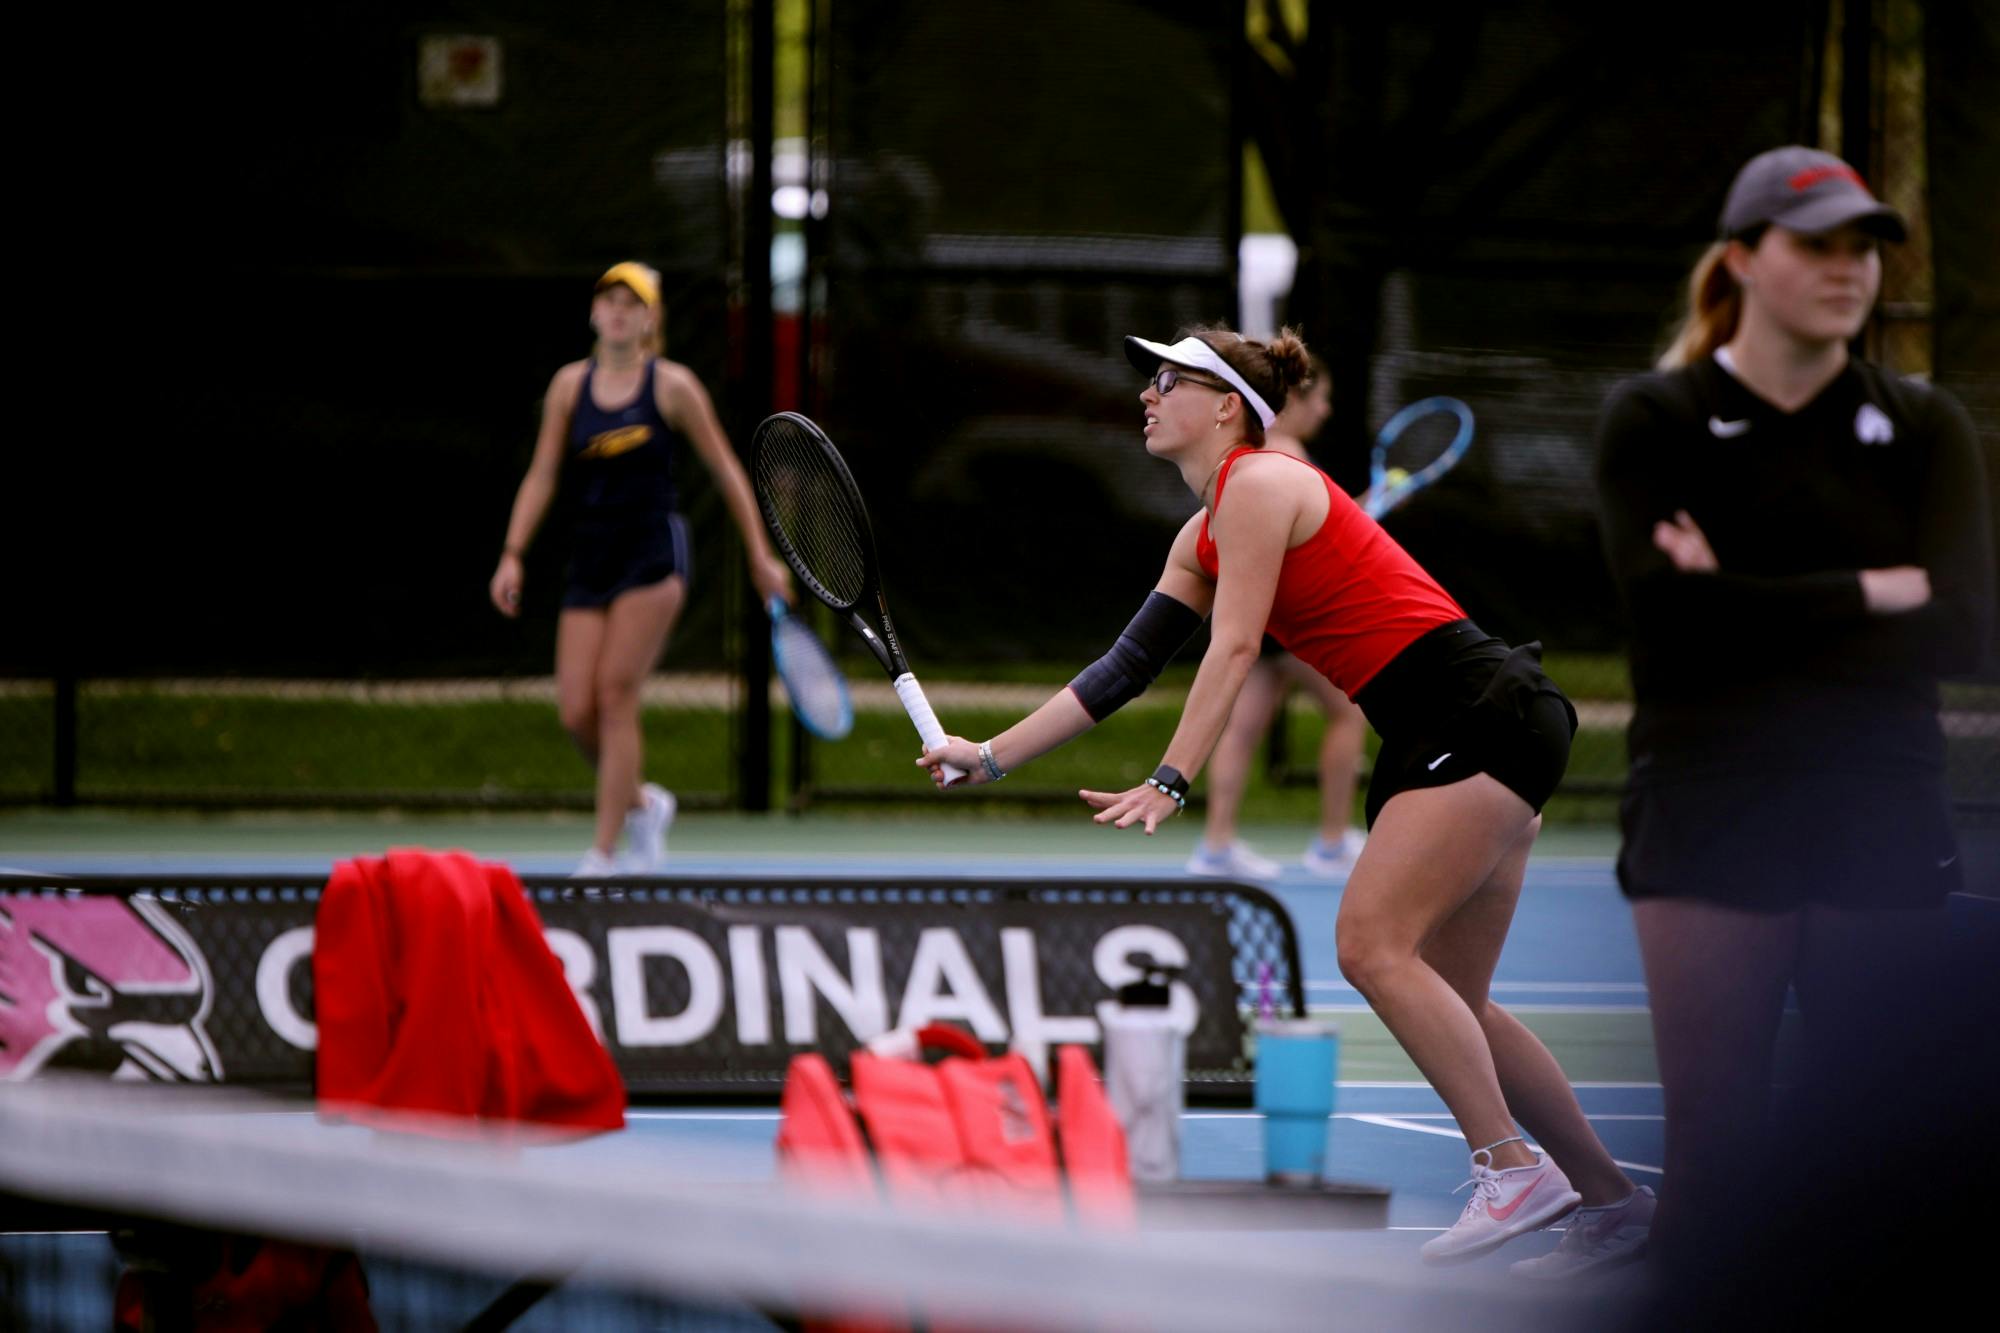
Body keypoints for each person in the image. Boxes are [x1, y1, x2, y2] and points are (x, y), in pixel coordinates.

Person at [920, 324, 1646, 1268]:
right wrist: (990, 754)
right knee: (1458, 996)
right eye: (1147, 379)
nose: (1145, 394)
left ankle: (1510, 1164)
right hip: (1456, 724)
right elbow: (1126, 666)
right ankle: (1615, 1200)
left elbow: (1232, 646)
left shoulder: (1259, 484)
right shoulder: (1200, 531)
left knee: (1370, 946)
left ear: (1227, 406)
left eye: (1168, 381)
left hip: (1477, 709)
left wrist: (1170, 779)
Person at [1592, 146, 1993, 1304]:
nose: (1846, 267)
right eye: (1815, 243)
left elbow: (1963, 629)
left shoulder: (1921, 427)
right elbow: (1666, 634)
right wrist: (1872, 589)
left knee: (1878, 1153)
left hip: (1879, 805)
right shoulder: (1655, 416)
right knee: (1710, 1158)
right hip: (1705, 810)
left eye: (1862, 245)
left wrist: (1741, 595)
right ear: (1741, 260)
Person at [490, 262, 791, 875]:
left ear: (651, 317)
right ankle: (642, 804)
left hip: (652, 557)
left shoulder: (673, 387)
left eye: (633, 302)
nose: (619, 311)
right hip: (591, 558)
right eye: (609, 300)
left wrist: (761, 556)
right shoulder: (569, 388)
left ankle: (604, 853)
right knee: (576, 711)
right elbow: (544, 472)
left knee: (615, 695)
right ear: (595, 314)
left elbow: (728, 471)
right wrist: (512, 552)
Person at [1185, 357, 1371, 881]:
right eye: (1319, 399)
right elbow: (1311, 532)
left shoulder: (1249, 456)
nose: (1326, 409)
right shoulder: (1286, 455)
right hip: (1287, 615)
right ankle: (1332, 841)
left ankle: (1216, 844)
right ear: (1289, 405)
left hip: (1255, 612)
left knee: (1241, 729)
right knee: (1348, 713)